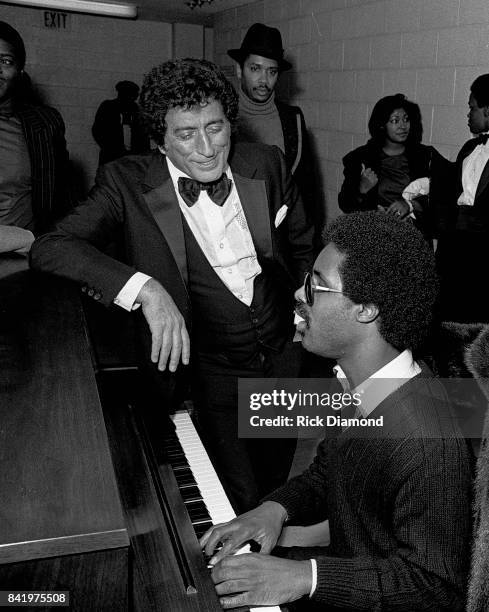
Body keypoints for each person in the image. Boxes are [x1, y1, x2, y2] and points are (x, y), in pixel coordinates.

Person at [30, 58, 315, 514]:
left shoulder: (267, 164)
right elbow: (51, 246)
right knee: (235, 500)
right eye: (186, 134)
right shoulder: (126, 183)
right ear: (159, 140)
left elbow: (302, 245)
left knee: (274, 489)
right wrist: (145, 289)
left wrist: (306, 305)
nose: (206, 148)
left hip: (285, 356)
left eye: (215, 128)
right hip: (213, 372)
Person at [201, 211, 472, 611]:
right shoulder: (357, 384)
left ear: (366, 309)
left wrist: (305, 577)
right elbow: (331, 470)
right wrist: (275, 510)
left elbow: (436, 587)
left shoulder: (428, 443)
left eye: (317, 285)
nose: (298, 293)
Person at [228, 23, 319, 231]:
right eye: (255, 69)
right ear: (239, 70)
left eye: (272, 72)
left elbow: (307, 188)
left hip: (282, 234)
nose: (263, 80)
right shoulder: (223, 116)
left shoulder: (292, 118)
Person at [338, 93, 448, 240]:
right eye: (395, 121)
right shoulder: (361, 158)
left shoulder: (426, 156)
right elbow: (345, 203)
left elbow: (446, 193)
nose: (403, 126)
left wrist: (411, 205)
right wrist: (361, 190)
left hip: (413, 240)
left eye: (406, 119)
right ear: (382, 124)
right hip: (374, 240)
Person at [0, 21, 71, 235]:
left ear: (20, 71)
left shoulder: (45, 124)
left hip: (19, 256)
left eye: (5, 61)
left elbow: (62, 196)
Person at [435, 74, 489, 323]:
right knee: (448, 313)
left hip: (482, 252)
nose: (468, 115)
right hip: (454, 247)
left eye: (472, 108)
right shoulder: (469, 148)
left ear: (488, 110)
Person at [92, 80, 149, 166]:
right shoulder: (108, 107)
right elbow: (97, 131)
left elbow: (144, 137)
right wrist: (110, 149)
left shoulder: (137, 111)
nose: (134, 99)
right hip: (112, 158)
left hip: (133, 159)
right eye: (131, 96)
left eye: (134, 96)